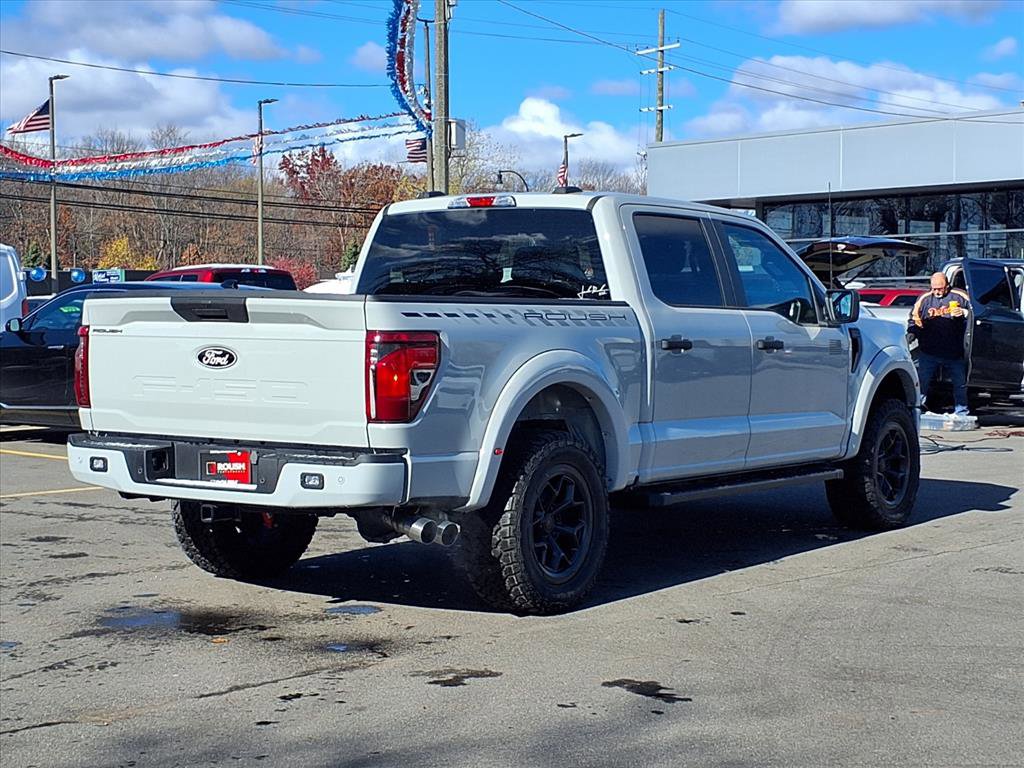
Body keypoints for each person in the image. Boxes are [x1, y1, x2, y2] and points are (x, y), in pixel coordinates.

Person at [908, 272, 972, 417]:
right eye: (934, 289)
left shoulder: (960, 296)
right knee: (922, 382)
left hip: (954, 351)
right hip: (929, 350)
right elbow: (914, 319)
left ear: (947, 286)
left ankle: (961, 411)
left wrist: (964, 312)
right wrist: (912, 333)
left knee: (960, 384)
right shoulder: (925, 299)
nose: (937, 292)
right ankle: (918, 410)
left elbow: (976, 313)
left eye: (940, 288)